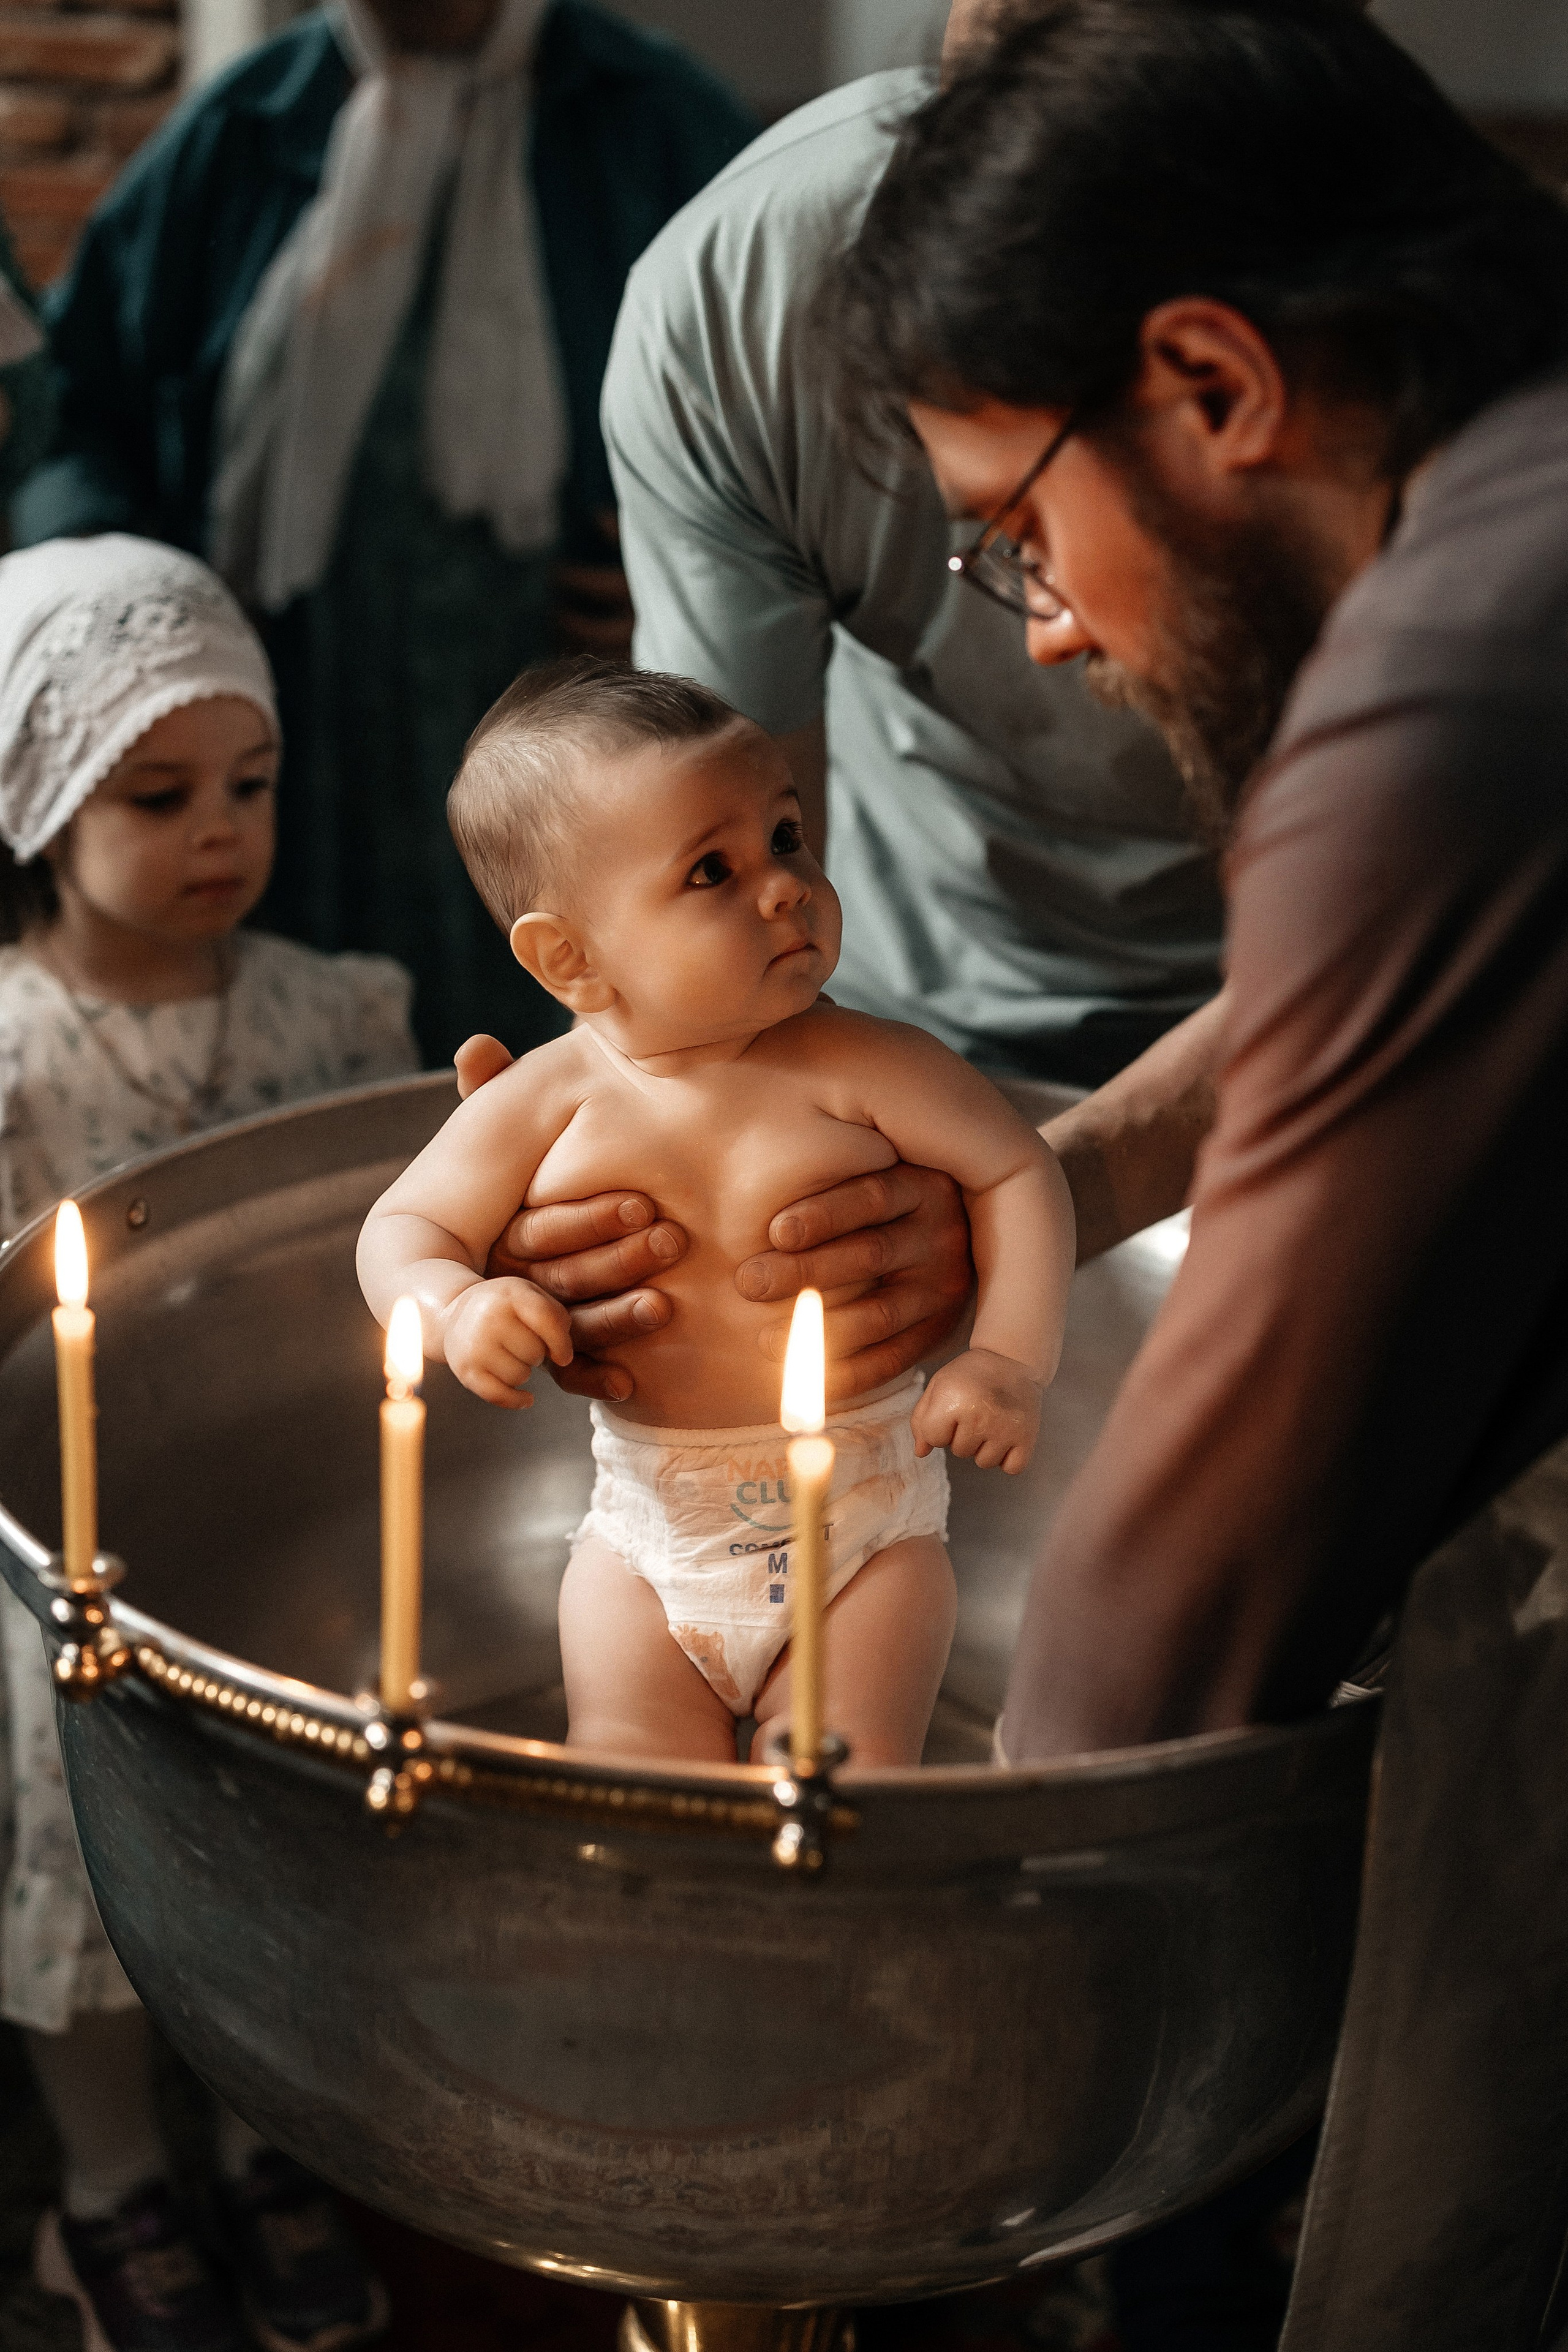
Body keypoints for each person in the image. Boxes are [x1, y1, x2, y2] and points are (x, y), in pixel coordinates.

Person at [820, 2, 1568, 2343]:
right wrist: (1044, 1181)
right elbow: (1405, 984)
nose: (1044, 625)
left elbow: (1191, 1571)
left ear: (1217, 383)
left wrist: (907, 1950)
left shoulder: (1453, 666)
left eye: (1018, 526)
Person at [12, 0, 756, 1068]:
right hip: (300, 702)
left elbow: (772, 412)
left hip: (559, 686)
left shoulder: (655, 122)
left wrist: (693, 578)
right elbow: (76, 409)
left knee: (588, 1012)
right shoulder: (243, 128)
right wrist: (131, 634)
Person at [359, 658, 1073, 1762]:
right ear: (571, 958)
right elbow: (403, 1232)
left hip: (865, 1534)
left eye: (785, 839)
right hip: (651, 1545)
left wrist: (1009, 1361)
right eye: (711, 872)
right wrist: (454, 1307)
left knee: (848, 1779)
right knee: (633, 1776)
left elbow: (1019, 1173)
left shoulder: (871, 1064)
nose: (784, 886)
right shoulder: (548, 1100)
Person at [0, 533, 418, 2352]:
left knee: (294, 1842)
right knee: (64, 1811)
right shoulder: (11, 1053)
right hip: (59, 1544)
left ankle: (270, 2133)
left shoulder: (340, 1010)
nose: (222, 831)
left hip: (283, 1507)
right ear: (33, 803)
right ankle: (110, 2181)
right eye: (159, 795)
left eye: (249, 784)